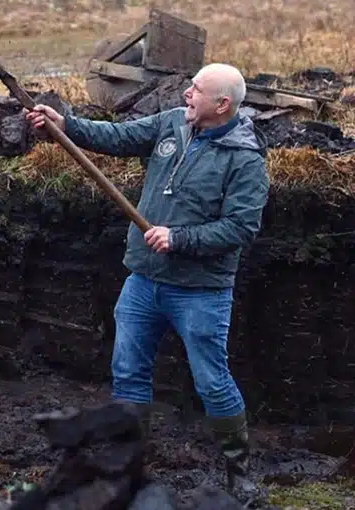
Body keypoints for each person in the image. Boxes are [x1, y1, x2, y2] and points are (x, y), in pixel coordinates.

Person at [26, 63, 270, 495]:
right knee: (128, 371)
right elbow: (119, 138)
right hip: (144, 280)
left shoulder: (245, 160)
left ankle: (238, 471)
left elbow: (241, 228)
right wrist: (67, 125)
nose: (186, 94)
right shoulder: (172, 123)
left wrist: (180, 238)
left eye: (196, 89)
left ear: (223, 104)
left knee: (212, 381)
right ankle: (128, 467)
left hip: (200, 291)